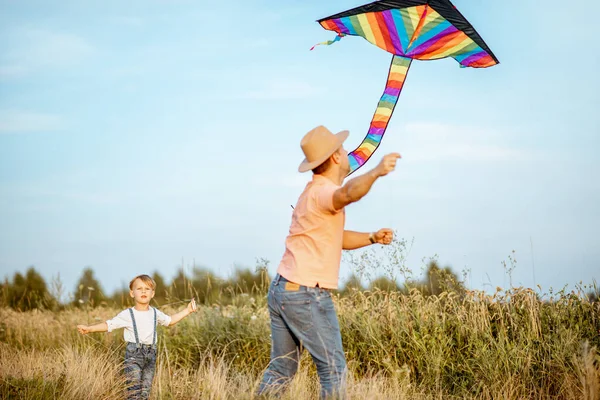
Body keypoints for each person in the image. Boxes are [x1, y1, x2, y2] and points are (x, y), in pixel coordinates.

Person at [257, 125, 400, 399]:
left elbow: (335, 237)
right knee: (333, 369)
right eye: (344, 149)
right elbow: (347, 194)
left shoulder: (311, 193)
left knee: (281, 370)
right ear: (335, 157)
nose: (347, 153)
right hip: (305, 293)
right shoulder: (324, 192)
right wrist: (377, 171)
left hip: (282, 289)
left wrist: (371, 237)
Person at [77, 274, 197, 399]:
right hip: (133, 356)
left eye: (147, 289)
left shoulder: (155, 312)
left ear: (153, 293)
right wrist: (90, 328)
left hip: (151, 356)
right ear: (132, 293)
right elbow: (109, 325)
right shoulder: (128, 314)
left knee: (145, 393)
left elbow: (170, 320)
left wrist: (187, 310)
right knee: (133, 393)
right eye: (139, 289)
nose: (143, 291)